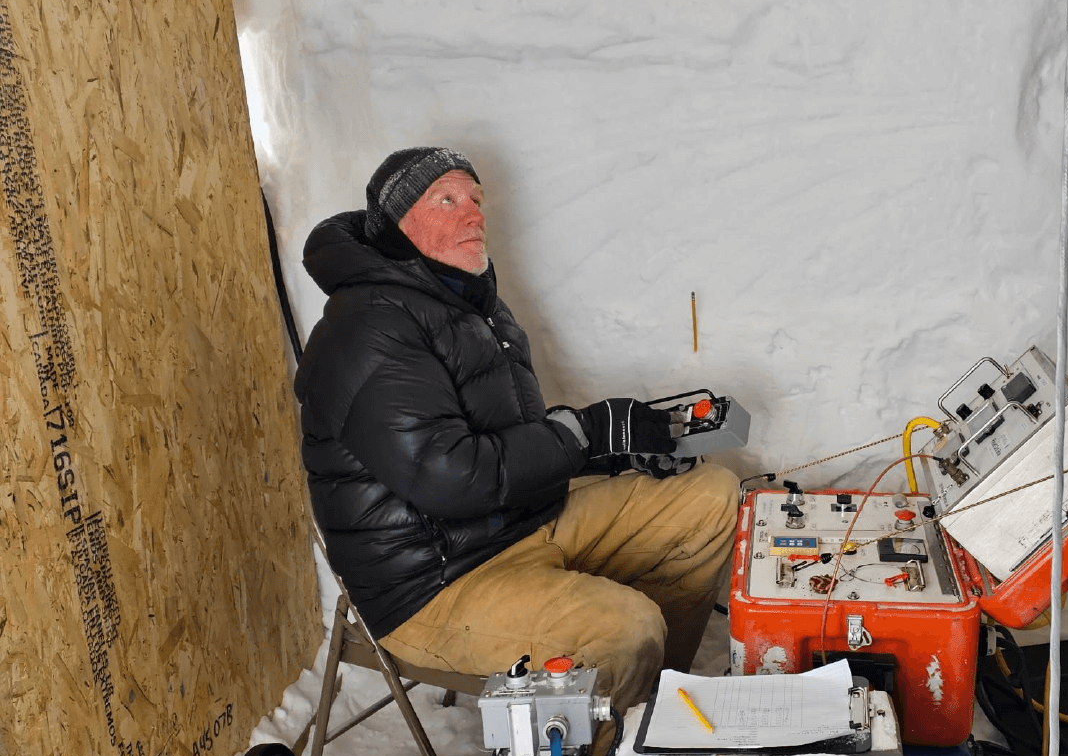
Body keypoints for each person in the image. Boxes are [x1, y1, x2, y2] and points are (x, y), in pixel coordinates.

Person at [294, 147, 742, 709]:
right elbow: (448, 475)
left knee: (709, 496)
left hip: (522, 524)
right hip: (437, 584)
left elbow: (514, 436)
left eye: (477, 200)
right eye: (448, 200)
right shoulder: (368, 325)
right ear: (395, 227)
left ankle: (650, 707)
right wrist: (585, 433)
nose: (474, 214)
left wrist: (617, 444)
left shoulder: (474, 306)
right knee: (624, 630)